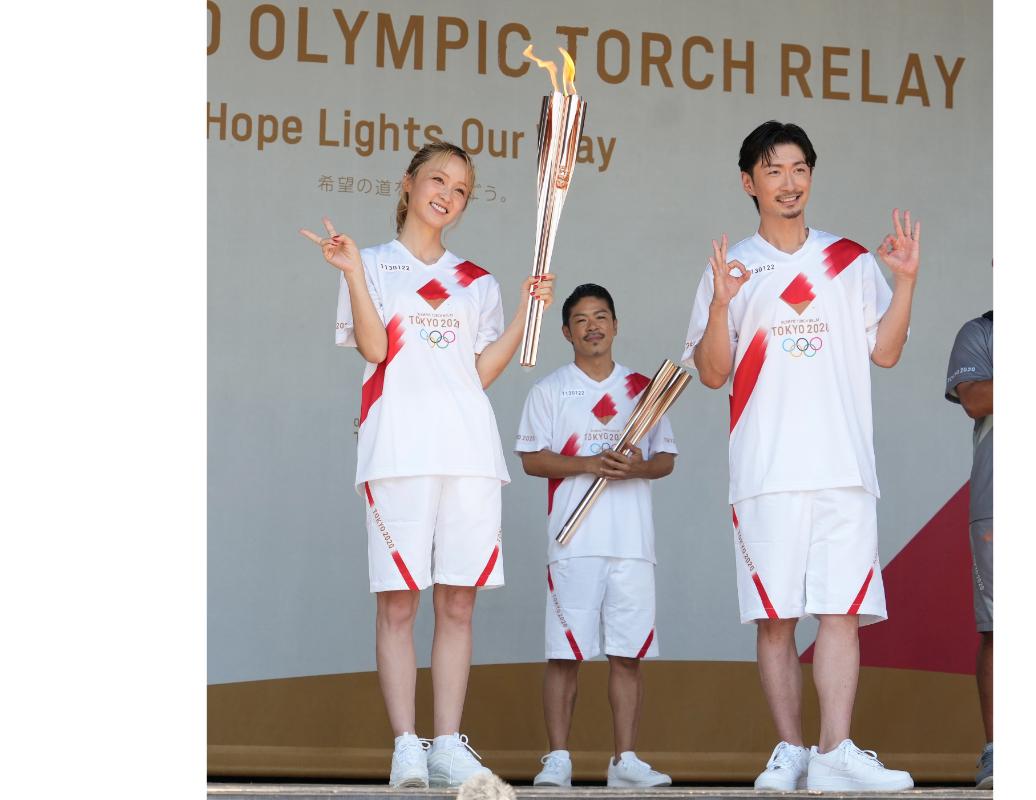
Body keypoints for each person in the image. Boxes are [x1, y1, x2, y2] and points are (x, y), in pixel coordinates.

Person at [300, 141, 555, 789]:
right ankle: (406, 745)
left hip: (468, 452)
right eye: (438, 179)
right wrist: (351, 274)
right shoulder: (371, 263)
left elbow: (479, 373)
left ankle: (446, 742)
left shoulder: (477, 282)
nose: (447, 194)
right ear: (408, 184)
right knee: (398, 603)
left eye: (461, 188)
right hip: (398, 449)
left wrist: (526, 314)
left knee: (459, 602)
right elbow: (374, 347)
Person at [681, 120, 919, 792]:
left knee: (841, 611)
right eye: (773, 170)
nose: (789, 183)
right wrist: (722, 307)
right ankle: (789, 751)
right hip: (767, 470)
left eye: (799, 169)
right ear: (748, 182)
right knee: (776, 616)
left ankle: (835, 750)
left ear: (811, 175)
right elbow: (712, 372)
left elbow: (886, 351)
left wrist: (904, 282)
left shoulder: (848, 261)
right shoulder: (732, 269)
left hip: (843, 466)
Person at [514, 283, 678, 788]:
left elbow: (665, 460)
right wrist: (589, 463)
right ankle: (558, 759)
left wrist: (636, 468)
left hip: (631, 543)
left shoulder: (646, 389)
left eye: (601, 316)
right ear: (567, 332)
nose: (592, 327)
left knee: (628, 654)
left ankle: (624, 760)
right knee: (565, 653)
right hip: (574, 542)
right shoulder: (549, 391)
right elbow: (531, 459)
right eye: (581, 320)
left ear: (615, 324)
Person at [945, 309, 993, 790]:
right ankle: (999, 751)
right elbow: (976, 398)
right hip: (998, 503)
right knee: (999, 629)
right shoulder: (981, 332)